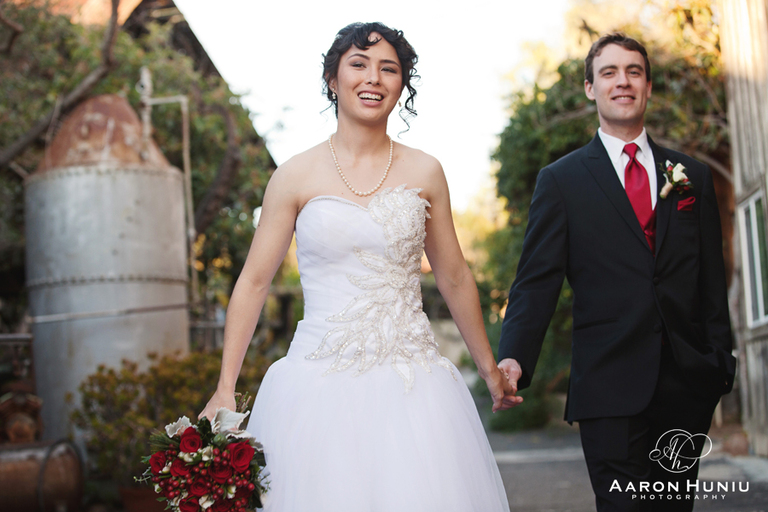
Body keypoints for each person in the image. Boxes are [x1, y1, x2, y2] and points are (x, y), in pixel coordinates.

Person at [199, 22, 517, 511]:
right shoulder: (294, 175)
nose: (374, 78)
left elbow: (453, 276)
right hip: (317, 383)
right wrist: (225, 387)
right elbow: (255, 281)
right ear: (333, 78)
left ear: (401, 85)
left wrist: (488, 368)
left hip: (414, 387)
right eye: (359, 64)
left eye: (389, 69)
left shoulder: (426, 171)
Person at [497, 33, 736, 512]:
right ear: (590, 89)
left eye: (633, 72)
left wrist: (718, 365)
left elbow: (711, 278)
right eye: (609, 72)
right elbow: (536, 281)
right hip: (608, 384)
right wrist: (514, 359)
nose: (622, 82)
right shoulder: (561, 181)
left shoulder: (692, 175)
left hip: (686, 386)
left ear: (647, 87)